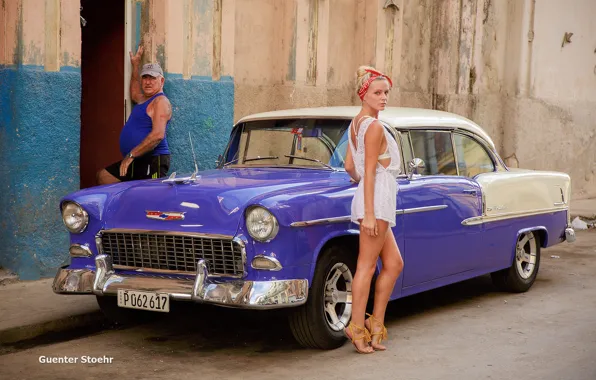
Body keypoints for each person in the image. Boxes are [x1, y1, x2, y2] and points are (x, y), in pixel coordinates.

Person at [343, 66, 405, 354]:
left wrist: (364, 191)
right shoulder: (375, 126)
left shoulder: (356, 123)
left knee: (394, 265)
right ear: (364, 94)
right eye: (377, 93)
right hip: (376, 203)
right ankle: (356, 329)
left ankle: (375, 324)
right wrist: (368, 212)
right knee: (366, 267)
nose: (383, 98)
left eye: (386, 93)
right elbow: (367, 172)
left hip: (375, 199)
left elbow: (349, 168)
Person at [96, 46, 172, 185]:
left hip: (153, 159)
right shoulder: (143, 99)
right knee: (105, 176)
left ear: (161, 81)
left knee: (148, 196)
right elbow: (134, 92)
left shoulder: (160, 101)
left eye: (152, 78)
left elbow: (158, 135)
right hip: (138, 158)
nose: (148, 82)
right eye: (145, 78)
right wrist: (136, 65)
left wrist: (131, 155)